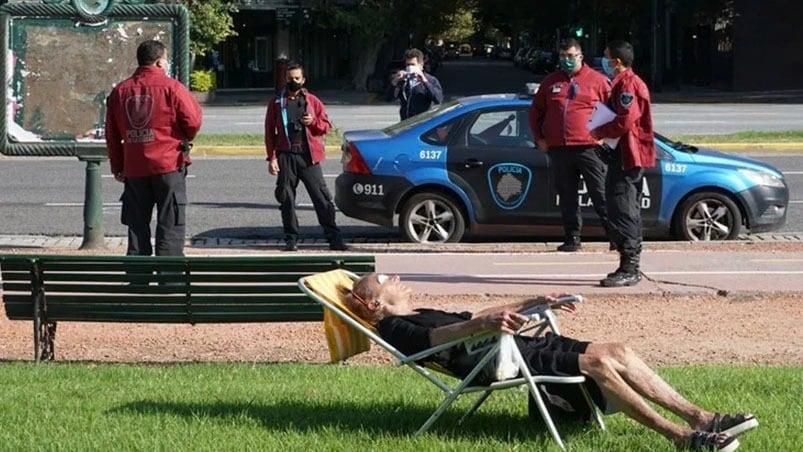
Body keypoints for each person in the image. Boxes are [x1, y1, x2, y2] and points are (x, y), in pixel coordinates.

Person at [342, 272, 757, 451]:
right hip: (492, 360)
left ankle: (701, 418)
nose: (395, 279)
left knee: (619, 351)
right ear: (377, 303)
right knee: (597, 362)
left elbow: (473, 319)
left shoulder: (417, 311)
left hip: (505, 345)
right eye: (385, 281)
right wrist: (481, 326)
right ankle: (679, 438)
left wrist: (536, 301)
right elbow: (437, 339)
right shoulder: (395, 329)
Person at [105, 40, 202, 257]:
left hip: (135, 168)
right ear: (159, 62)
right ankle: (169, 281)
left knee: (136, 228)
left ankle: (139, 280)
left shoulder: (120, 91)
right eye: (165, 60)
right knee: (171, 224)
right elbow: (193, 121)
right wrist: (185, 136)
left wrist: (118, 167)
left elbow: (111, 135)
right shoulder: (172, 87)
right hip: (168, 164)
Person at [529, 38, 613, 252]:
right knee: (567, 196)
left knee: (600, 194)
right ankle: (572, 238)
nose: (566, 60)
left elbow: (612, 111)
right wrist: (539, 138)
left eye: (571, 56)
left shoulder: (598, 81)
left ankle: (615, 237)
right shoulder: (550, 82)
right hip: (559, 148)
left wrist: (603, 136)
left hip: (589, 148)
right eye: (563, 56)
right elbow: (536, 112)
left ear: (580, 56)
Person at [590, 41, 657, 287]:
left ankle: (630, 267)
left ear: (616, 61)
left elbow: (625, 121)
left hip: (629, 155)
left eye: (607, 59)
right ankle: (625, 264)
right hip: (621, 153)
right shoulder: (620, 84)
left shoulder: (628, 85)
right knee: (620, 207)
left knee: (624, 208)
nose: (604, 63)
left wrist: (598, 131)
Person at [264, 62, 347, 252]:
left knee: (322, 198)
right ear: (285, 79)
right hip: (286, 155)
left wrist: (313, 122)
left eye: (297, 78)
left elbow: (326, 126)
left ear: (303, 80)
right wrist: (272, 158)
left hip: (308, 156)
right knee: (286, 198)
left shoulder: (312, 101)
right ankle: (291, 239)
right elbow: (270, 132)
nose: (293, 81)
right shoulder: (277, 102)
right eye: (290, 78)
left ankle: (334, 238)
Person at [388, 48, 444, 120]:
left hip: (423, 123)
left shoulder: (430, 80)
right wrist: (395, 81)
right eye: (408, 65)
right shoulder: (403, 81)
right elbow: (389, 98)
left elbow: (438, 99)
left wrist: (425, 82)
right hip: (405, 123)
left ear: (421, 65)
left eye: (413, 65)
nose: (410, 67)